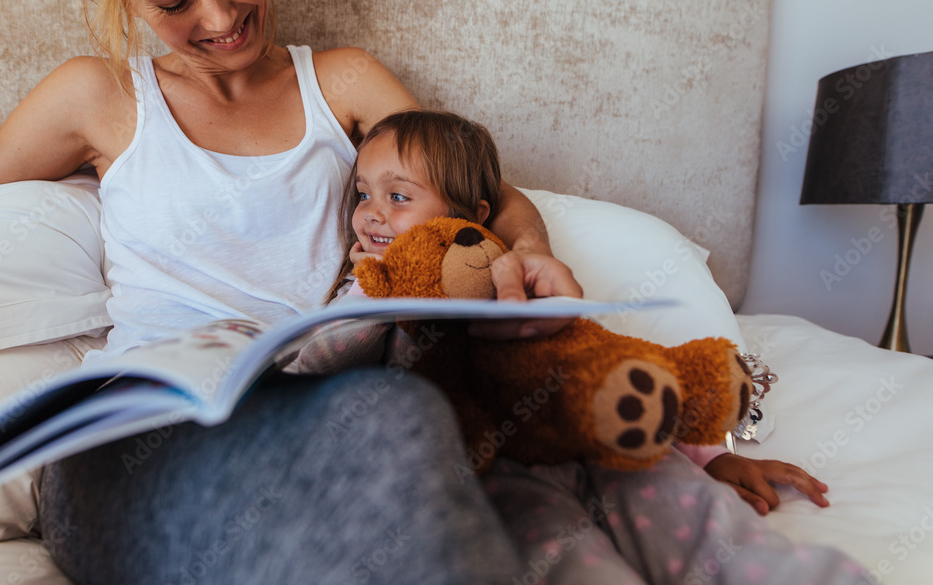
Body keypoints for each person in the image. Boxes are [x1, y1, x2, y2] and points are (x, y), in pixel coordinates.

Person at [0, 0, 581, 583]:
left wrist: (527, 250)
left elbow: (486, 197)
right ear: (128, 0)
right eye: (173, 2)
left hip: (299, 413)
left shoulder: (345, 83)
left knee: (399, 413)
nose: (219, 17)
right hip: (129, 445)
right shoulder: (98, 97)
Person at [294, 108, 871, 585]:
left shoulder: (519, 283)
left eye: (398, 197)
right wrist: (372, 298)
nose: (370, 214)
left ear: (474, 217)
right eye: (364, 193)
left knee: (688, 511)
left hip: (589, 439)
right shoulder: (362, 294)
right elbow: (317, 370)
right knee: (559, 552)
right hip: (498, 471)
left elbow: (596, 363)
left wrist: (712, 456)